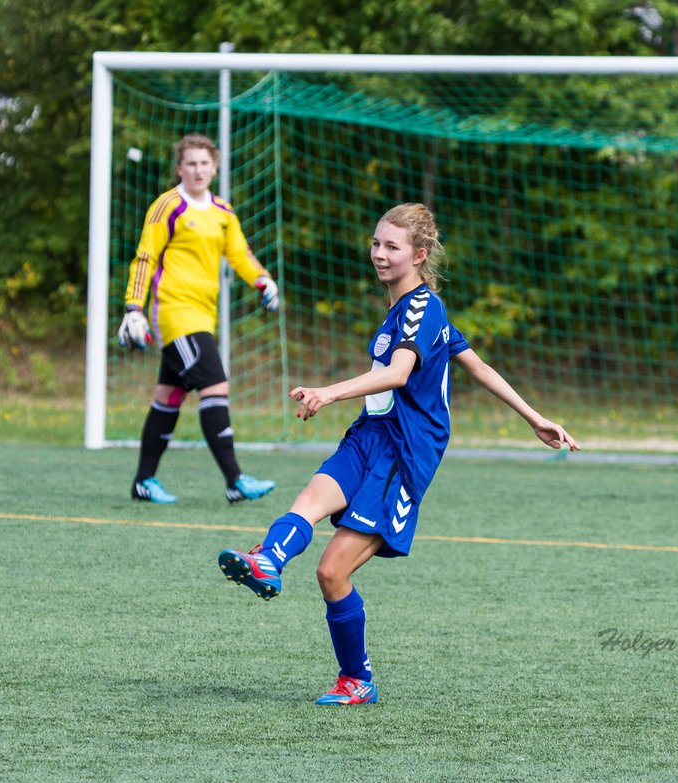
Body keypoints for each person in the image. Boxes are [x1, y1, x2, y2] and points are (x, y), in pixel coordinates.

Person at [216, 203, 579, 705]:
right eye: (376, 243)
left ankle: (356, 679)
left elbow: (398, 373)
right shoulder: (409, 311)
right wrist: (534, 416)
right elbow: (476, 366)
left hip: (406, 452)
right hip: (371, 433)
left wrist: (328, 391)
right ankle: (269, 561)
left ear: (419, 253)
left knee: (331, 571)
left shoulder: (422, 308)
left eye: (392, 246)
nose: (380, 254)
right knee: (310, 499)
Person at [117, 133, 278, 505]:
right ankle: (235, 479)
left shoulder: (223, 212)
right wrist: (133, 308)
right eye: (190, 163)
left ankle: (143, 481)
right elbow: (145, 258)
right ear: (179, 168)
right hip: (173, 313)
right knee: (215, 385)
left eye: (205, 163)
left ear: (215, 167)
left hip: (203, 317)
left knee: (168, 397)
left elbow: (240, 254)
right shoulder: (167, 206)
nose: (198, 170)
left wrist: (263, 279)